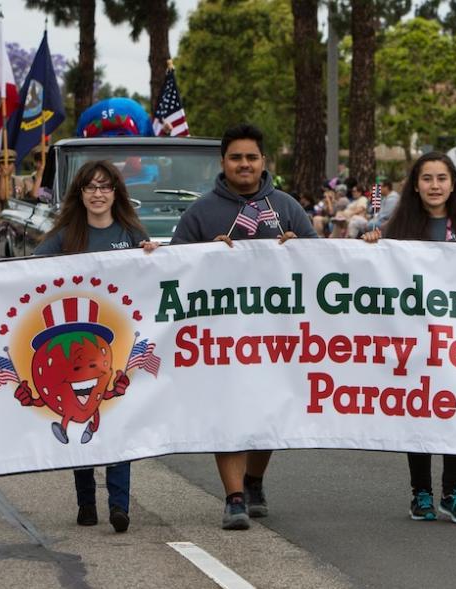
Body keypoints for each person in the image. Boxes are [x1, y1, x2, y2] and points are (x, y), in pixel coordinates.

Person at [0, 159, 157, 533]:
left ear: (116, 193)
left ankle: (119, 505)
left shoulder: (131, 233)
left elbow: (152, 278)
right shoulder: (66, 235)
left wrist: (151, 255)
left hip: (110, 344)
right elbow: (23, 271)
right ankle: (86, 502)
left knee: (116, 420)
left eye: (105, 187)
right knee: (77, 412)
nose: (98, 194)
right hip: (72, 349)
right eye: (90, 187)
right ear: (79, 194)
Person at [171, 123, 317, 530]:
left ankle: (254, 480)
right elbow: (171, 268)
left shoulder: (286, 207)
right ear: (223, 162)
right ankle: (234, 497)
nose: (244, 164)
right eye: (236, 157)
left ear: (263, 162)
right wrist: (206, 257)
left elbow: (323, 261)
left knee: (268, 414)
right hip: (219, 338)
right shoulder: (200, 212)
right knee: (228, 412)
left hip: (277, 334)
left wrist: (299, 250)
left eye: (251, 157)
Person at [362, 152, 456, 525]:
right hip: (411, 339)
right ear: (415, 185)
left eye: (442, 179)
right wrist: (370, 243)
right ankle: (421, 493)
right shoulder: (397, 228)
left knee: (455, 409)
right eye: (428, 178)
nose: (435, 186)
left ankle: (454, 492)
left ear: (453, 185)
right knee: (417, 410)